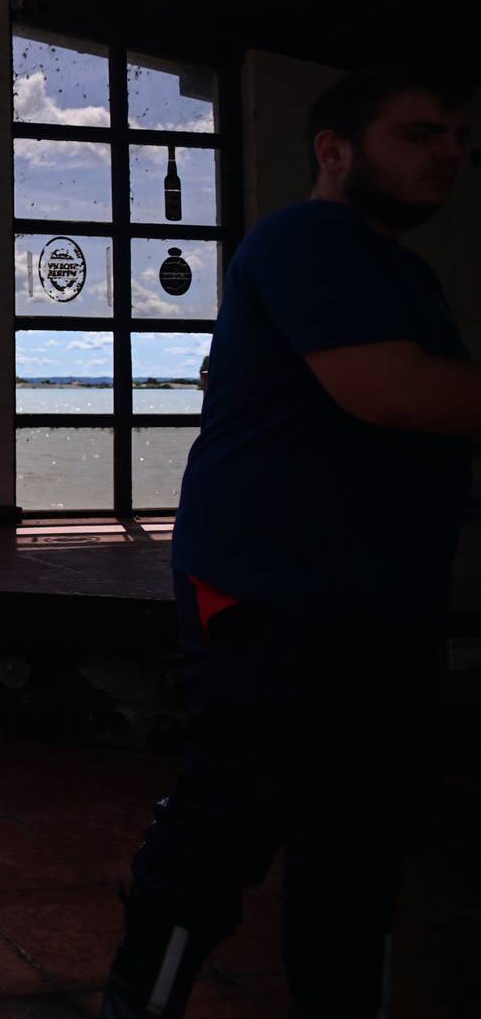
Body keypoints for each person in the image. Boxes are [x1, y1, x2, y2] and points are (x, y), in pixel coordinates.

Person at [101, 67, 478, 1019]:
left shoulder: (402, 269)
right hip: (273, 599)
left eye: (456, 138)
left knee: (357, 845)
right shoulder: (310, 236)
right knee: (223, 830)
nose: (449, 152)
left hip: (379, 603)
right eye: (420, 131)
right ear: (334, 151)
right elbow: (390, 390)